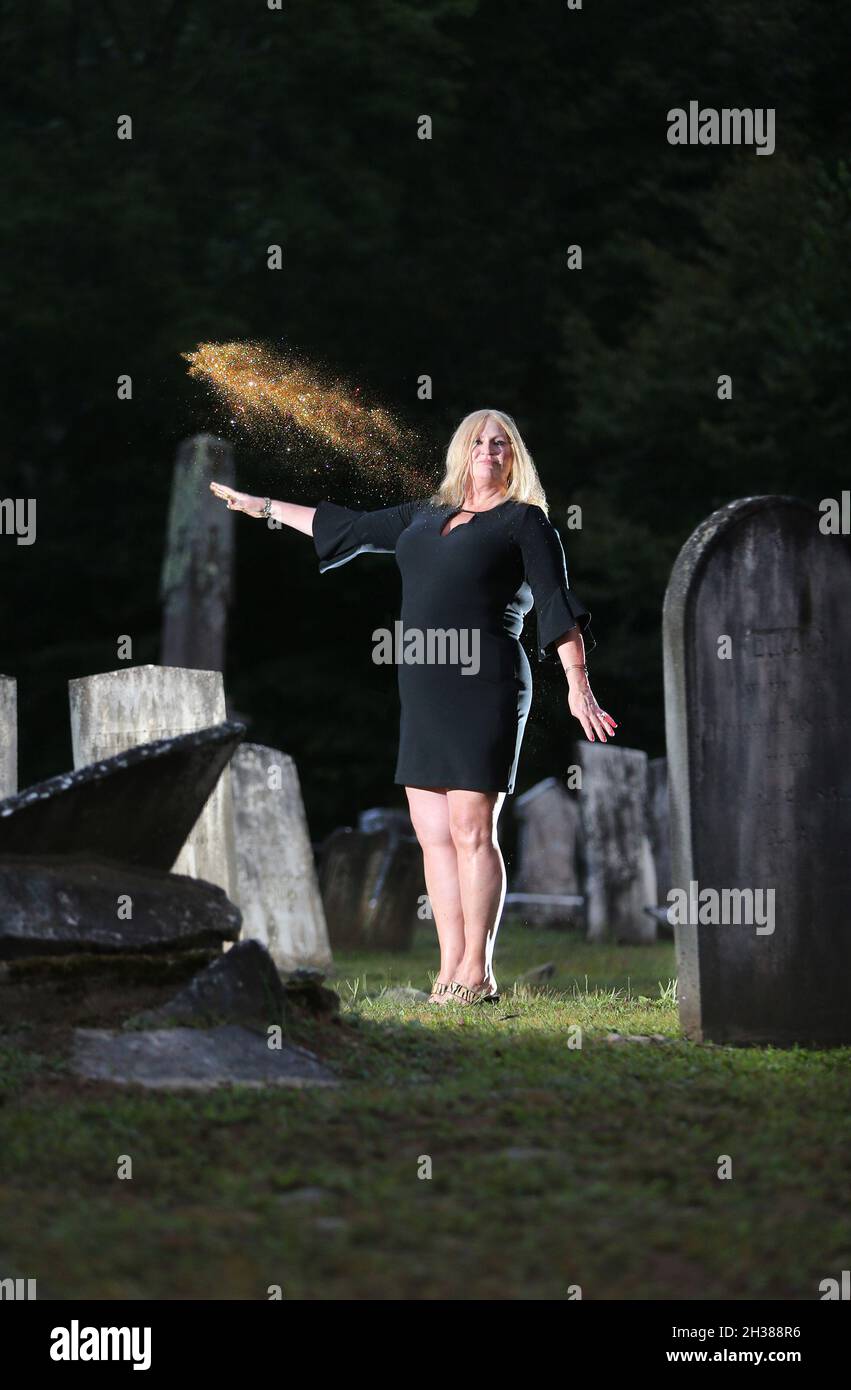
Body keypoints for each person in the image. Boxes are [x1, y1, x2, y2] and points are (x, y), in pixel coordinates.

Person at [210, 408, 617, 1008]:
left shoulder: (524, 522)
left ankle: (477, 971)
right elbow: (343, 527)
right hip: (424, 686)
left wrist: (578, 683)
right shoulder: (422, 518)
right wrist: (264, 507)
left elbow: (555, 602)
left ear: (514, 455)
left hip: (488, 683)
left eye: (500, 442)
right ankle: (450, 969)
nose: (488, 449)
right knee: (433, 836)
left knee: (472, 830)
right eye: (478, 441)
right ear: (461, 450)